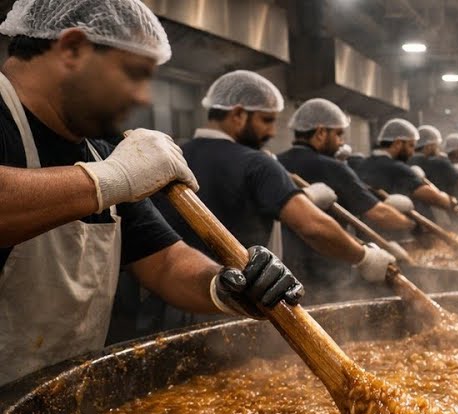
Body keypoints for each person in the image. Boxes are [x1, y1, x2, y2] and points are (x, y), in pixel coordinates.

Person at [0, 0, 302, 381]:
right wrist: (114, 178)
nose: (144, 97)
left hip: (56, 403)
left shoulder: (99, 151)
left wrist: (224, 286)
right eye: (134, 74)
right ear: (73, 48)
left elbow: (165, 262)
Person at [152, 70, 389, 318]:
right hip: (233, 302)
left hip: (173, 299)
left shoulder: (175, 158)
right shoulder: (257, 163)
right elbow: (313, 226)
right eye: (267, 120)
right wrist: (364, 257)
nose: (273, 132)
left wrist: (301, 196)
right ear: (238, 114)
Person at [275, 98, 412, 294]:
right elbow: (378, 214)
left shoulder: (277, 163)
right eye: (338, 134)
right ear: (321, 132)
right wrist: (410, 224)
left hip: (287, 268)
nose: (342, 142)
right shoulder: (334, 168)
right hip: (331, 270)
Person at [355, 119, 454, 224]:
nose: (412, 153)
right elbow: (434, 198)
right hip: (394, 232)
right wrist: (450, 201)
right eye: (411, 146)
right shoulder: (397, 168)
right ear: (398, 143)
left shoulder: (362, 164)